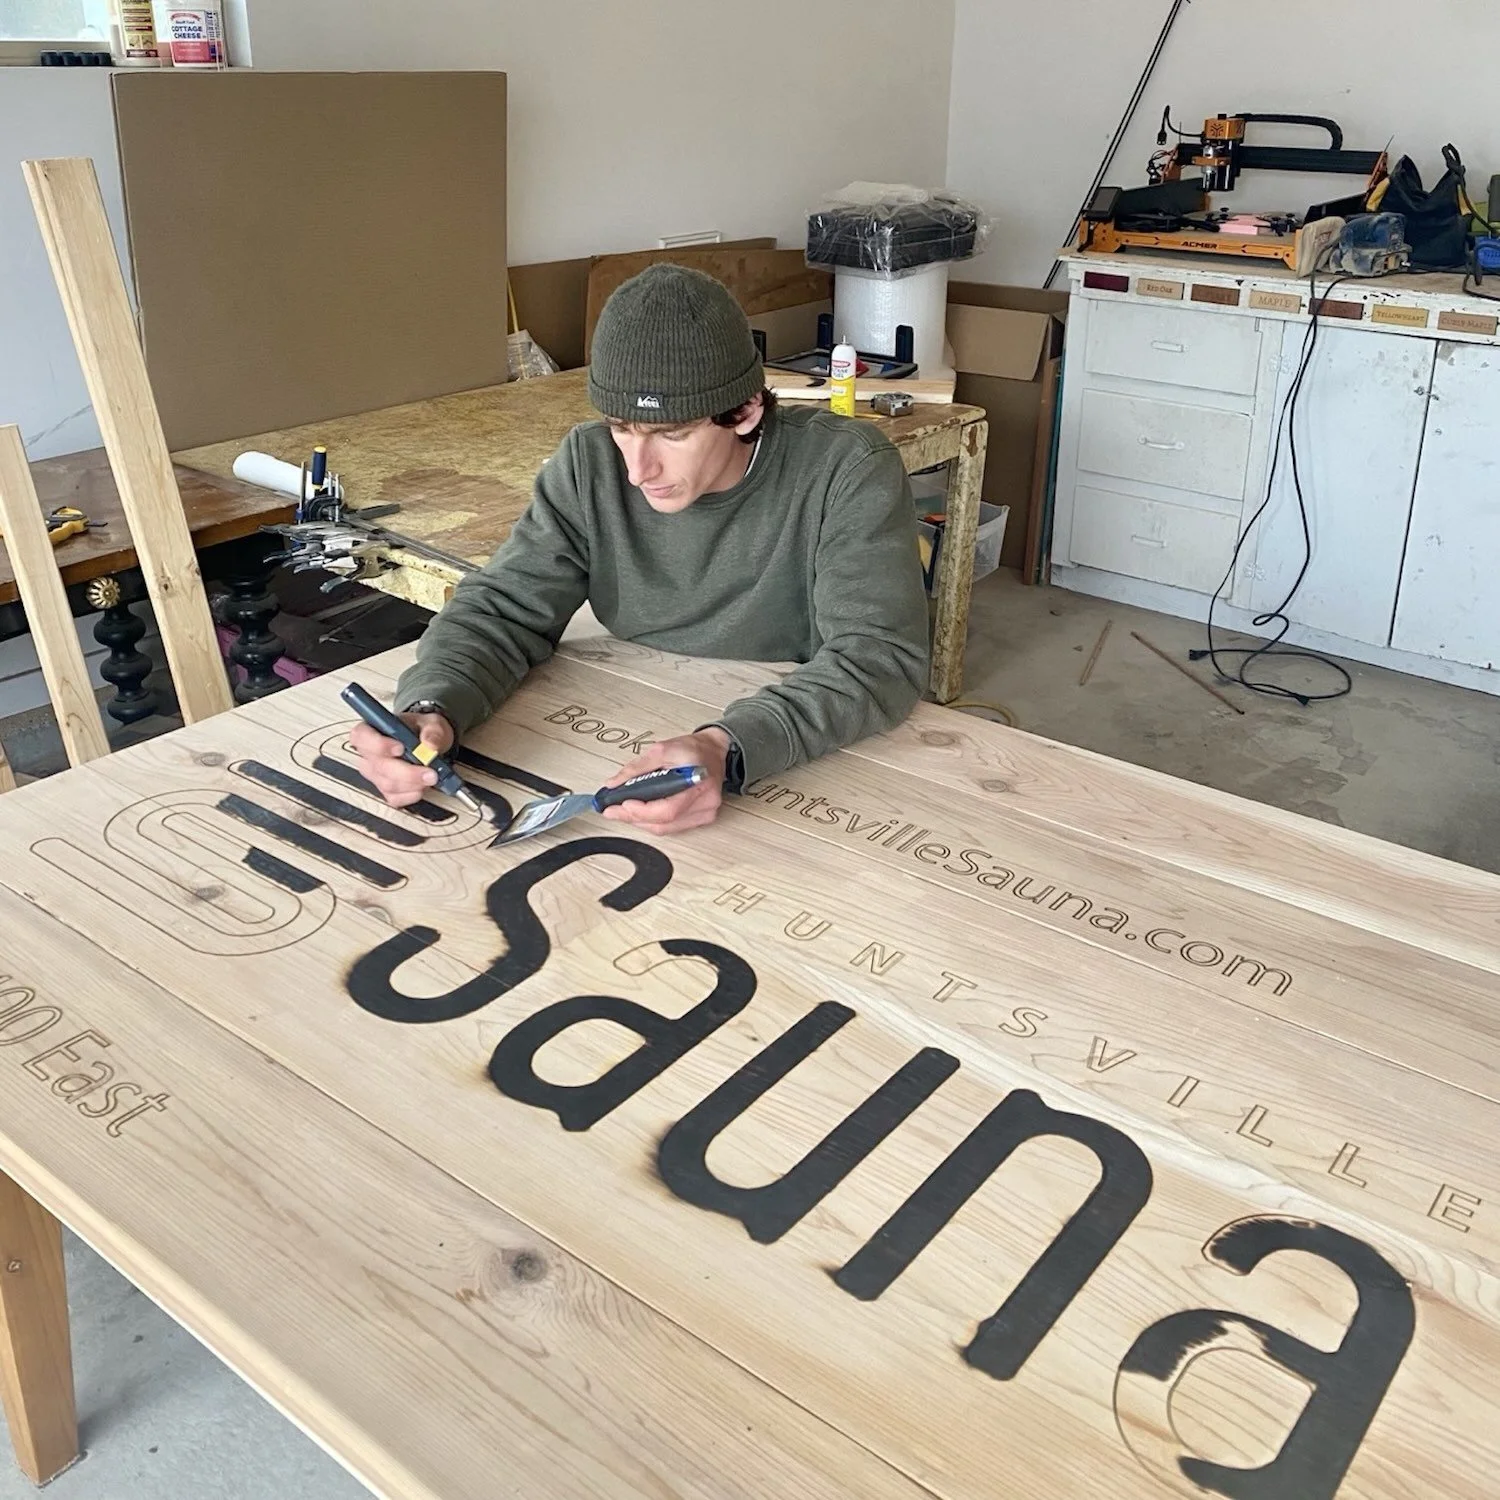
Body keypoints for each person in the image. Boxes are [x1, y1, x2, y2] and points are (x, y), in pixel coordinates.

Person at [352, 262, 929, 836]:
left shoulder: (845, 469)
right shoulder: (588, 462)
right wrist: (432, 709)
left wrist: (727, 748)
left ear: (747, 412)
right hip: (620, 713)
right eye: (621, 427)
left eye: (672, 434)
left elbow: (879, 658)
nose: (637, 470)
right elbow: (503, 610)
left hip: (791, 738)